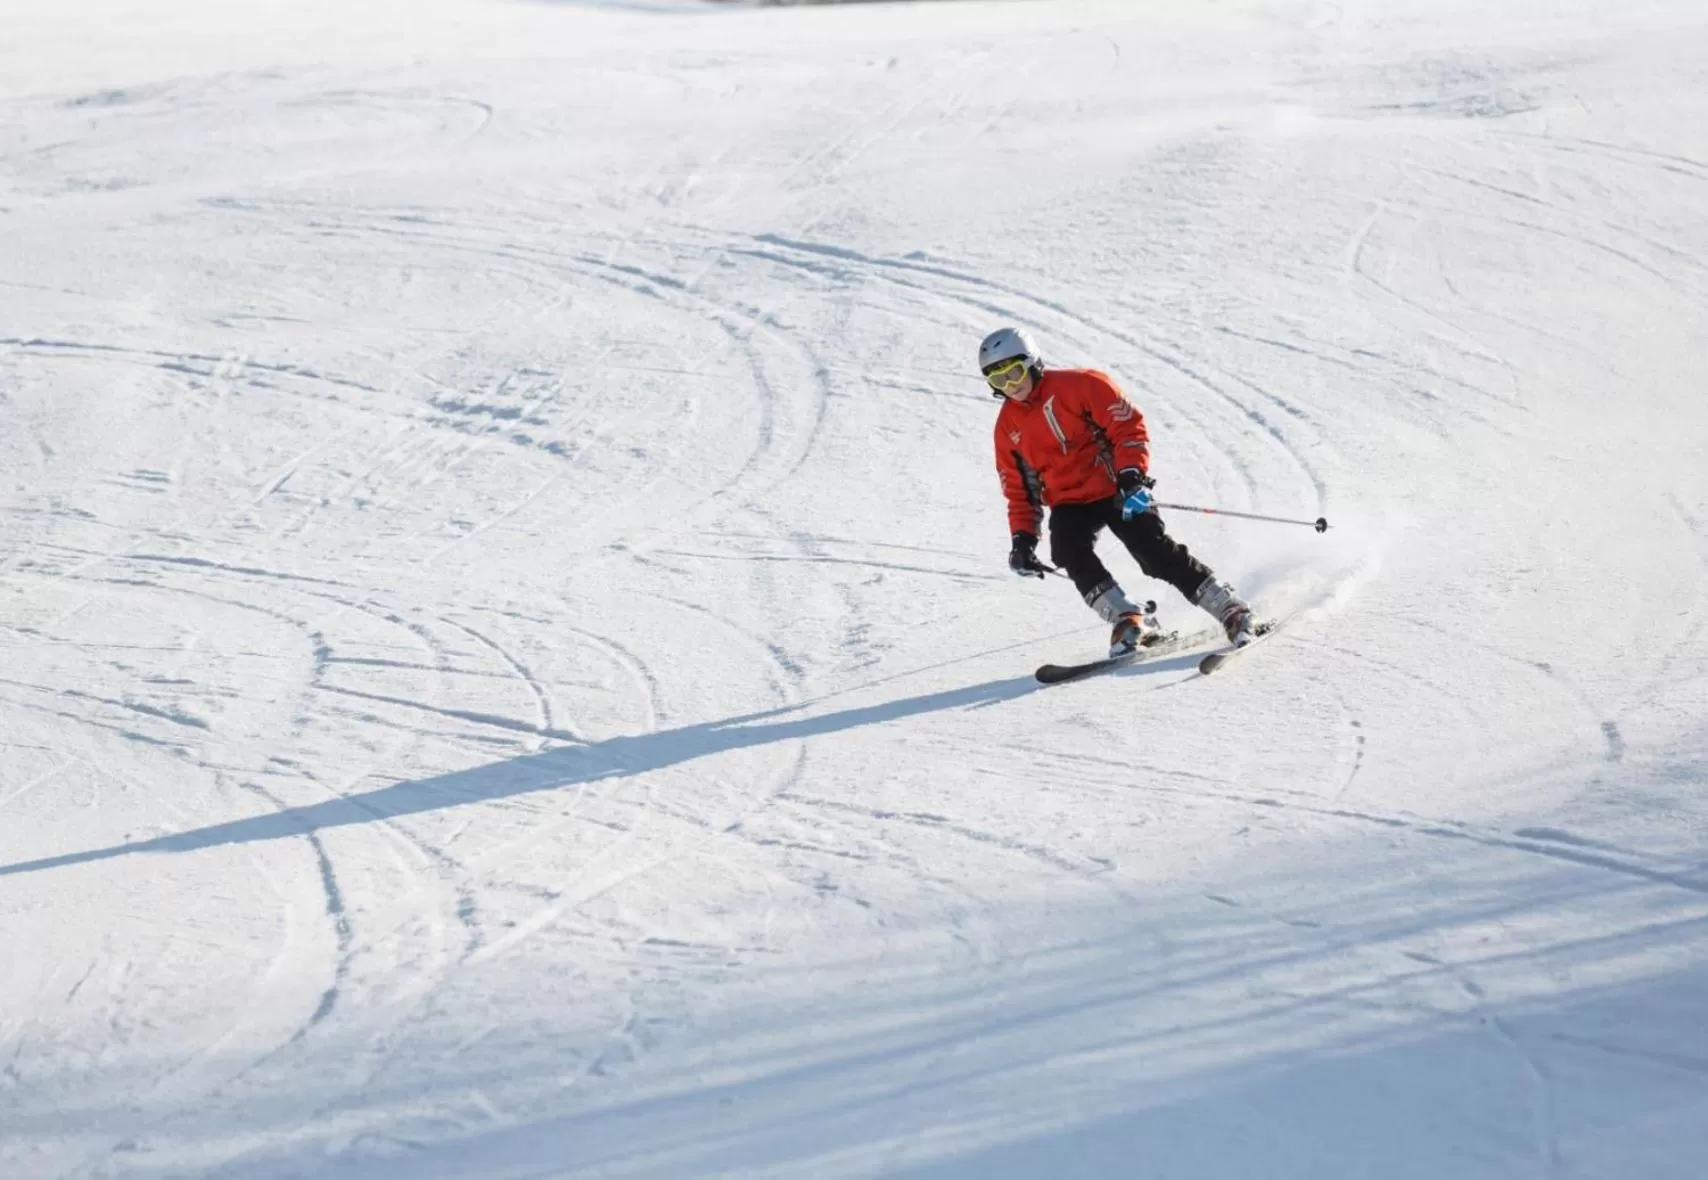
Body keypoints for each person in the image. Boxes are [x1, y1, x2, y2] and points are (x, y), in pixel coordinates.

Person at [981, 326, 1255, 657]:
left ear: (1033, 361)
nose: (1012, 386)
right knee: (1067, 550)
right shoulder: (1007, 428)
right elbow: (1019, 491)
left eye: (1014, 372)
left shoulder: (1082, 385)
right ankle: (1127, 618)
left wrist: (1132, 475)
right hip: (1069, 500)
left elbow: (1127, 428)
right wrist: (1022, 541)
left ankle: (1229, 607)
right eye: (1000, 381)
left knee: (1151, 551)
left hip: (1114, 485)